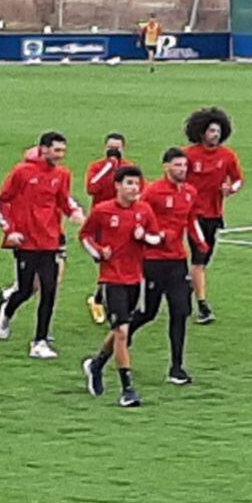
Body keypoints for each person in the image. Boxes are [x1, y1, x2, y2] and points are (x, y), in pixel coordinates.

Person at [0, 131, 85, 358]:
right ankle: (7, 309)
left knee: (49, 290)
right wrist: (10, 231)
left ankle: (40, 341)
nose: (60, 155)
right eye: (56, 150)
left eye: (63, 151)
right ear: (43, 149)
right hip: (26, 241)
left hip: (50, 240)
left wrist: (74, 212)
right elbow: (2, 201)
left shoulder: (62, 174)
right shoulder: (22, 172)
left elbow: (63, 200)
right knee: (25, 290)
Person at [80, 166, 161, 408]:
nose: (134, 188)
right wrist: (99, 253)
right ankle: (128, 389)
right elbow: (85, 236)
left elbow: (156, 237)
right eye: (129, 183)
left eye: (137, 184)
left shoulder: (144, 210)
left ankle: (96, 364)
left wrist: (143, 236)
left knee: (119, 332)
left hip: (134, 278)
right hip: (111, 279)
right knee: (123, 332)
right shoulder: (103, 211)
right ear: (117, 186)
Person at [130, 148, 208, 384]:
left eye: (184, 166)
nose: (182, 170)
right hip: (153, 261)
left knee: (181, 311)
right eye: (177, 165)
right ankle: (124, 333)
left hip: (177, 261)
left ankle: (177, 367)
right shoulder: (153, 192)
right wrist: (151, 237)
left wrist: (200, 241)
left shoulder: (190, 193)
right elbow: (138, 217)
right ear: (166, 167)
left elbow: (191, 219)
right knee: (148, 312)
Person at [183, 107, 244, 324]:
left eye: (217, 131)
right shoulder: (189, 155)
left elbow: (238, 179)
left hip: (214, 213)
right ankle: (203, 305)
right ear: (201, 132)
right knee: (200, 256)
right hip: (193, 215)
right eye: (211, 131)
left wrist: (231, 189)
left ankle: (188, 283)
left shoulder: (227, 156)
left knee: (205, 258)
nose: (215, 135)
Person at [83, 133, 133, 324]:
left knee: (118, 262)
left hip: (124, 223)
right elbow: (92, 188)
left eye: (117, 147)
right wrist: (109, 167)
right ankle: (102, 301)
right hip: (102, 222)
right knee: (106, 261)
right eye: (110, 147)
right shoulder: (97, 167)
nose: (114, 151)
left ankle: (102, 300)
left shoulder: (129, 168)